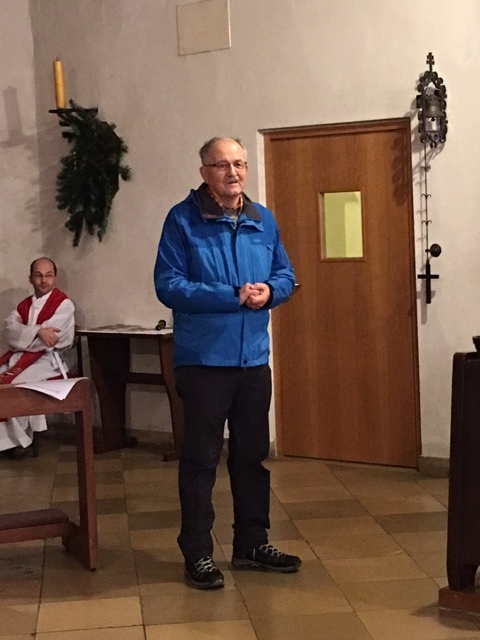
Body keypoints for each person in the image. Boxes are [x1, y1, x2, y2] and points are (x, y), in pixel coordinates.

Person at [154, 136, 301, 590]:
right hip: (204, 362)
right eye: (222, 165)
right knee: (201, 460)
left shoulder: (262, 219)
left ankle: (252, 544)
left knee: (252, 457)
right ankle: (197, 552)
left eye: (239, 164)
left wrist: (270, 291)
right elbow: (169, 285)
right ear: (204, 173)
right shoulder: (182, 220)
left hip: (252, 360)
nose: (233, 172)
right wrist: (230, 295)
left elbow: (286, 274)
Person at [0, 257, 75, 458]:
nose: (44, 280)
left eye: (48, 275)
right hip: (20, 358)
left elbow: (50, 341)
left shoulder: (63, 304)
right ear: (30, 278)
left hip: (47, 361)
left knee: (15, 385)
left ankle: (19, 441)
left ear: (55, 278)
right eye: (38, 275)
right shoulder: (23, 306)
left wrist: (28, 335)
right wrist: (38, 332)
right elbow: (9, 331)